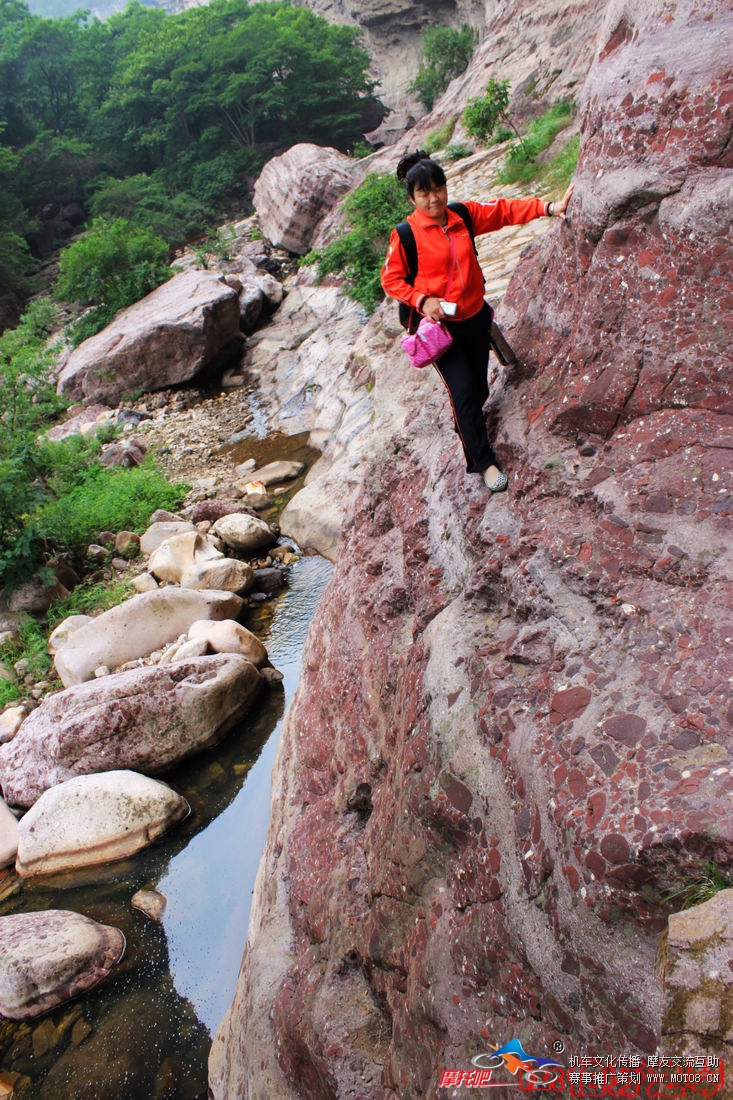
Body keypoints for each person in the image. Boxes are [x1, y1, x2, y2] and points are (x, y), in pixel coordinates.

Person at [381, 150, 573, 492]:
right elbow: (391, 281)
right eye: (423, 193)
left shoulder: (461, 216)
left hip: (473, 317)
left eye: (437, 188)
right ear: (412, 198)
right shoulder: (406, 235)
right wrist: (423, 300)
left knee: (480, 388)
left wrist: (548, 207)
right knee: (465, 392)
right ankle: (482, 462)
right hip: (442, 329)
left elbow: (503, 212)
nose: (433, 198)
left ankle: (467, 424)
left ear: (445, 187)